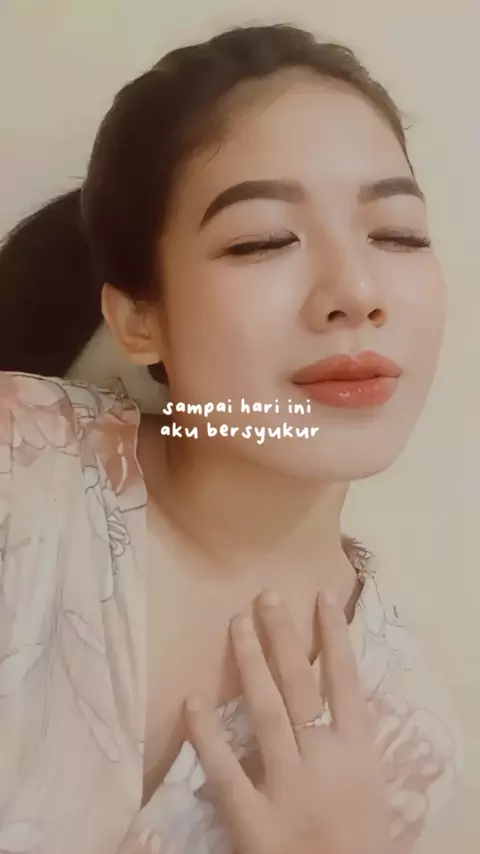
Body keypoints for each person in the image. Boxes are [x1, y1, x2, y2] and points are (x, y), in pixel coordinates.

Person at [0, 22, 461, 854]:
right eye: (263, 240)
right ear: (139, 319)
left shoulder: (410, 746)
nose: (356, 290)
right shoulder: (18, 472)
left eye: (398, 234)